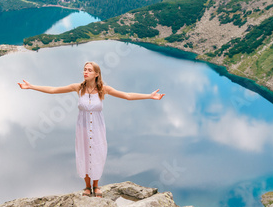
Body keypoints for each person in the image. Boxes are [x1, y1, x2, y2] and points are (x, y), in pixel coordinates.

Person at [18, 61, 164, 198]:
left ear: (96, 74)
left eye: (89, 70)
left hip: (98, 128)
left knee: (97, 154)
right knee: (84, 154)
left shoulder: (103, 89)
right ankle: (87, 187)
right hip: (82, 128)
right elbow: (53, 90)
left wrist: (150, 96)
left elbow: (127, 96)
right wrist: (31, 86)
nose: (85, 72)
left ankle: (96, 185)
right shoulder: (78, 87)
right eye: (84, 69)